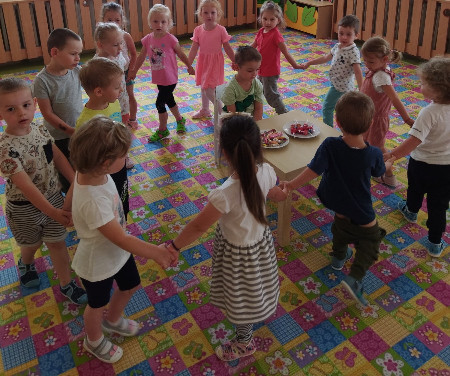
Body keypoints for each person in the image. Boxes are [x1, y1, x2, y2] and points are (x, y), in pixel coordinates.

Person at [168, 114, 287, 361]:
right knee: (256, 283)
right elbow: (275, 194)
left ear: (223, 152)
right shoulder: (267, 171)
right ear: (259, 147)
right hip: (260, 243)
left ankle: (244, 342)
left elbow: (198, 226)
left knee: (239, 297)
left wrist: (174, 246)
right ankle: (258, 308)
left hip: (237, 254)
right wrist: (282, 193)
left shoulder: (224, 194)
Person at [69, 116, 173, 364]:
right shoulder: (93, 201)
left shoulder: (91, 170)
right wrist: (156, 252)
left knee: (130, 286)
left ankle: (113, 320)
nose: (127, 160)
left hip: (117, 253)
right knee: (96, 305)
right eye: (124, 156)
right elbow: (121, 238)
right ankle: (93, 340)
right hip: (98, 262)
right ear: (105, 163)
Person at [280, 92, 387, 306]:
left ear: (337, 121)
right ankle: (355, 277)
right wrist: (388, 164)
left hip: (334, 199)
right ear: (370, 124)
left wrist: (291, 185)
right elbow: (379, 172)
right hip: (360, 208)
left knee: (341, 224)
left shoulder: (330, 144)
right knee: (372, 239)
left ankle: (339, 257)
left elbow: (313, 170)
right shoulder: (373, 153)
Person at [0, 78, 87, 304]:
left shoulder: (40, 128)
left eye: (26, 105)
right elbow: (27, 188)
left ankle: (66, 284)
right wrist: (53, 212)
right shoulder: (5, 148)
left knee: (57, 242)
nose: (21, 112)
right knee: (31, 244)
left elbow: (57, 155)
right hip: (23, 209)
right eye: (11, 109)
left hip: (53, 198)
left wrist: (75, 180)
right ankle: (26, 262)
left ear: (35, 104)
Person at [384, 57, 450, 257]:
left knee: (415, 188)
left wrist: (392, 155)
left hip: (422, 164)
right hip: (446, 169)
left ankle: (411, 211)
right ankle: (435, 243)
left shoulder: (429, 113)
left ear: (437, 90)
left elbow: (414, 140)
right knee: (439, 206)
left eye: (423, 83)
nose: (419, 86)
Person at [127, 4, 195, 142]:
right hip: (159, 78)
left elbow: (181, 54)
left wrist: (189, 66)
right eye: (155, 21)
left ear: (168, 23)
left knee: (159, 103)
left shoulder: (170, 39)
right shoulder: (148, 39)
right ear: (150, 23)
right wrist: (134, 71)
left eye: (163, 22)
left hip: (170, 78)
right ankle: (180, 120)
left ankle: (163, 130)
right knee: (169, 100)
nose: (159, 25)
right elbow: (141, 57)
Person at [76, 58, 130, 218]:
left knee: (122, 202)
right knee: (109, 208)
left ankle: (122, 225)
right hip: (103, 174)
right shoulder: (86, 121)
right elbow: (84, 157)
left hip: (120, 165)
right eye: (117, 87)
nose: (121, 89)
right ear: (99, 91)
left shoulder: (113, 103)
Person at [33, 28, 83, 192]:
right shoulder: (42, 81)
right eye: (73, 54)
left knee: (82, 167)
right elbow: (47, 113)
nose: (78, 58)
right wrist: (69, 131)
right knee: (65, 176)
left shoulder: (77, 71)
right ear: (55, 52)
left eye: (79, 54)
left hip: (78, 130)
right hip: (58, 138)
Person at [360, 36, 414, 188]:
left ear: (384, 59)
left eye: (370, 61)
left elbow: (395, 99)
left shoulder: (381, 76)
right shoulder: (376, 69)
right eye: (365, 60)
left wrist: (407, 119)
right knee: (367, 144)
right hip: (368, 116)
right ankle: (372, 169)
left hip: (377, 120)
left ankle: (389, 176)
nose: (367, 64)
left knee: (379, 148)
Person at [300, 14, 363, 127]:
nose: (344, 37)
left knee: (327, 108)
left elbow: (358, 72)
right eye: (341, 33)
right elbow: (325, 58)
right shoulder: (337, 46)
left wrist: (362, 89)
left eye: (348, 34)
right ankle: (346, 129)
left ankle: (329, 130)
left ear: (356, 35)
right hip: (336, 83)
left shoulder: (353, 52)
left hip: (341, 87)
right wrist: (309, 63)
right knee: (342, 110)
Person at [188, 0, 235, 119]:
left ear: (218, 13)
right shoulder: (198, 30)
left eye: (213, 12)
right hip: (203, 62)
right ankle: (205, 110)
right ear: (200, 14)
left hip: (215, 64)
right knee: (203, 86)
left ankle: (222, 114)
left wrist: (235, 61)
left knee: (209, 90)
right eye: (206, 12)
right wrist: (188, 64)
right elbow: (193, 49)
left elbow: (227, 47)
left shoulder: (221, 30)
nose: (209, 15)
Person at [252, 0, 301, 114]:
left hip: (270, 71)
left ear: (278, 20)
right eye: (265, 19)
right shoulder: (261, 31)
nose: (268, 22)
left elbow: (286, 53)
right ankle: (254, 111)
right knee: (257, 91)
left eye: (272, 19)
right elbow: (253, 46)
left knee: (271, 95)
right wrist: (242, 54)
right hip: (260, 70)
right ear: (260, 18)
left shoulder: (276, 35)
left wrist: (295, 65)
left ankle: (283, 112)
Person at [99, 2, 138, 130]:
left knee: (129, 95)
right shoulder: (102, 38)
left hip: (125, 72)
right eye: (109, 20)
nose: (114, 23)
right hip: (111, 74)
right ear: (103, 20)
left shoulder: (125, 36)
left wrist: (131, 70)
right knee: (113, 97)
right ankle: (114, 118)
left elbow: (133, 54)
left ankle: (132, 118)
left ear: (122, 20)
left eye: (117, 20)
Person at [221, 46, 264, 120]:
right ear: (237, 67)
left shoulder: (257, 84)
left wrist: (256, 124)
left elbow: (258, 109)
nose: (255, 74)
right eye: (250, 71)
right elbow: (232, 115)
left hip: (251, 119)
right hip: (234, 120)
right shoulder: (230, 89)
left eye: (257, 69)